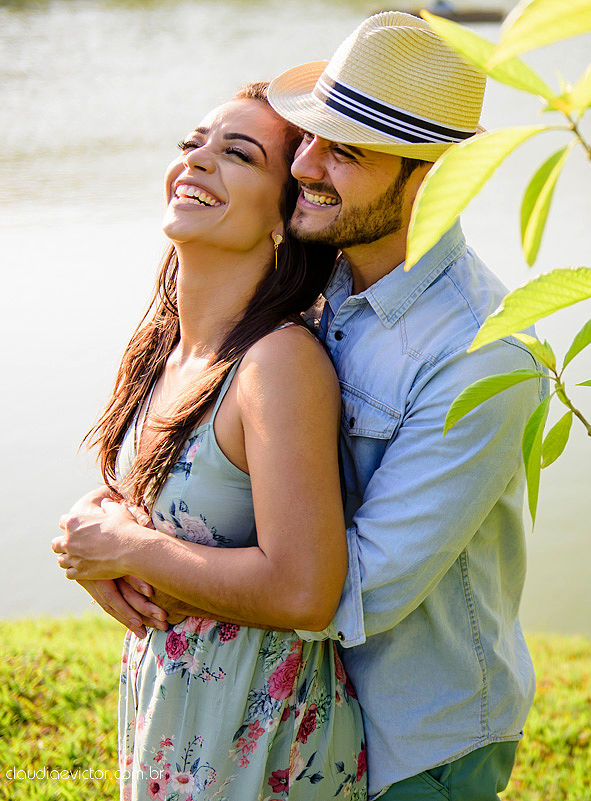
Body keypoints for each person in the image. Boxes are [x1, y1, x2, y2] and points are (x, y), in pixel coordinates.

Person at [62, 12, 543, 801]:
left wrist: (134, 555)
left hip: (419, 738)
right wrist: (110, 523)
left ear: (432, 181)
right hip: (276, 705)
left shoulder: (482, 356)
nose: (306, 164)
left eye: (345, 151)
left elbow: (347, 591)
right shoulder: (322, 286)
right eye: (312, 136)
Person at [52, 83, 367, 800]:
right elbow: (177, 504)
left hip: (257, 738)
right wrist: (98, 527)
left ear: (284, 217)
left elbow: (305, 591)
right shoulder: (166, 347)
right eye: (192, 144)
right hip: (177, 709)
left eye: (237, 154)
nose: (196, 161)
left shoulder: (278, 364)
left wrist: (127, 550)